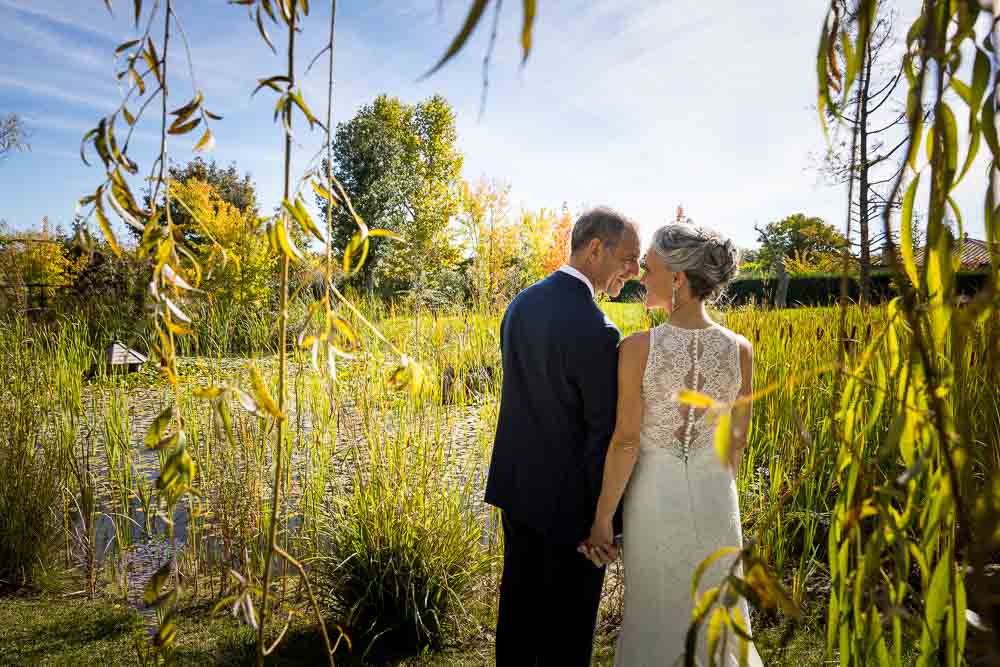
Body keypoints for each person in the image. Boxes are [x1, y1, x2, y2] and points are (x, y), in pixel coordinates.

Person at [581, 222, 763, 666]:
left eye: (651, 268)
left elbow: (625, 442)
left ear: (678, 279)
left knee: (656, 610)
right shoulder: (741, 348)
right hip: (718, 500)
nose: (642, 276)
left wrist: (603, 519)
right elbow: (736, 444)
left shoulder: (636, 347)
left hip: (654, 501)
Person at [485, 207, 641, 666]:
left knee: (517, 613)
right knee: (568, 634)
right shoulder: (598, 330)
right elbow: (601, 434)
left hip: (516, 492)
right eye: (628, 258)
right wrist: (603, 522)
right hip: (569, 509)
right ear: (596, 249)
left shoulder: (520, 304)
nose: (632, 272)